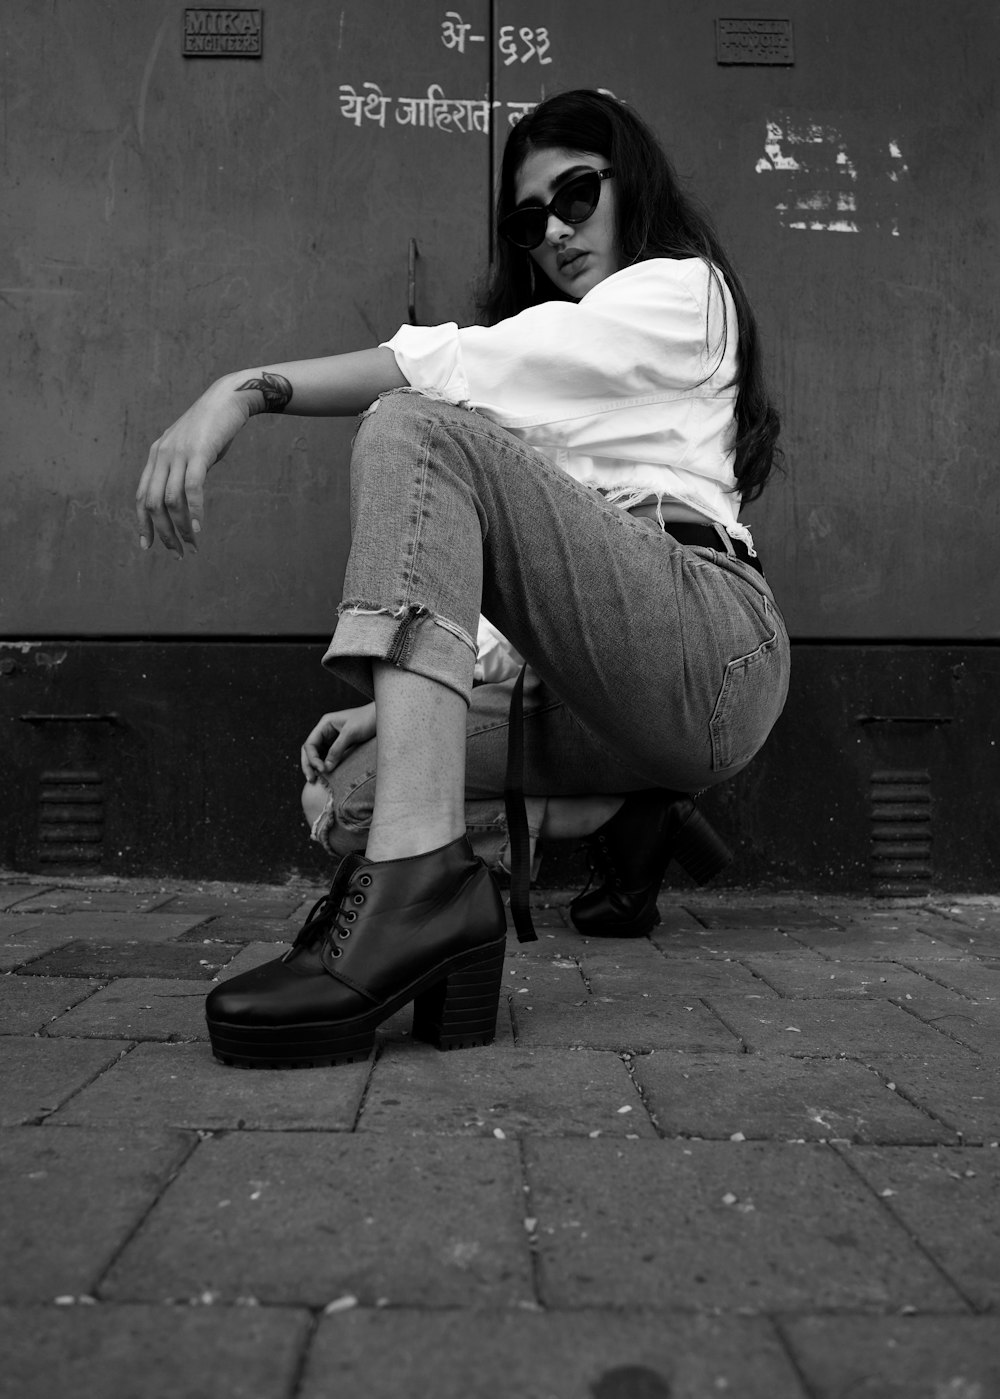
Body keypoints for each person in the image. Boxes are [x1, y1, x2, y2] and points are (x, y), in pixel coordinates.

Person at [135, 89, 790, 1068]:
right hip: (592, 684)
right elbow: (539, 589)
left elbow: (453, 366)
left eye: (576, 194)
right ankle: (621, 818)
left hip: (708, 647)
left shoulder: (683, 292)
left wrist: (247, 388)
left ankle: (419, 897)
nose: (556, 231)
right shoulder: (548, 386)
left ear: (632, 183)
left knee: (411, 424)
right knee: (347, 796)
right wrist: (413, 702)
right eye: (532, 220)